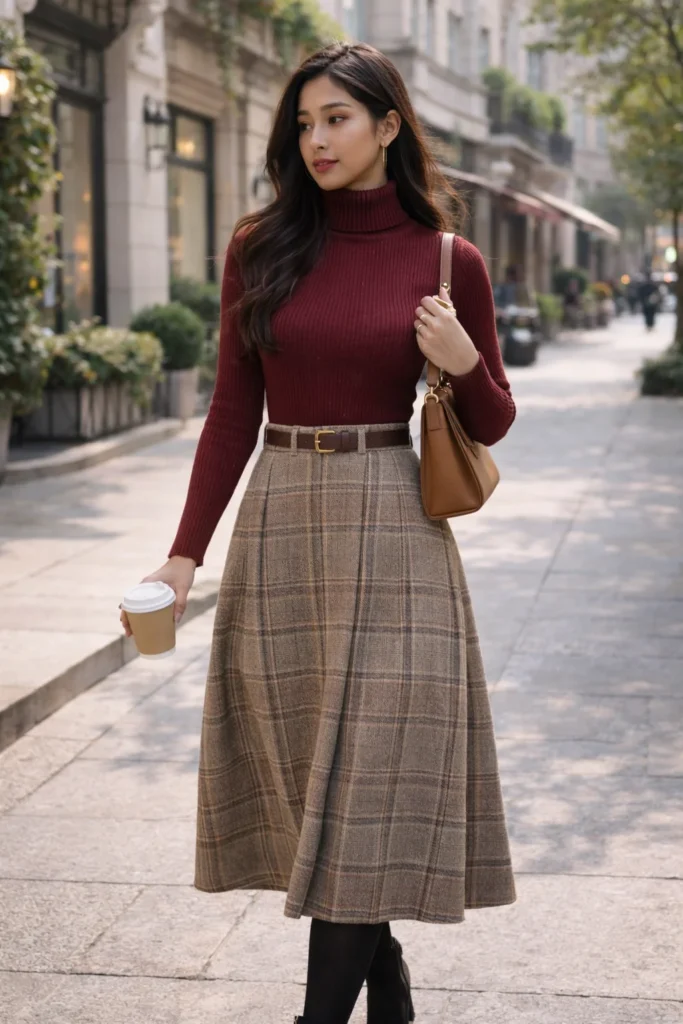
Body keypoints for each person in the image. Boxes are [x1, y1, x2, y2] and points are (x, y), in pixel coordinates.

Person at [121, 41, 516, 1024]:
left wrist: (463, 358)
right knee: (318, 788)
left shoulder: (445, 258)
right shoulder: (260, 247)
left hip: (397, 528)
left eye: (336, 118)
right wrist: (182, 554)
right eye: (303, 123)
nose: (316, 139)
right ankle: (379, 968)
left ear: (389, 125)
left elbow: (495, 417)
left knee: (369, 771)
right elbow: (228, 411)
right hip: (283, 518)